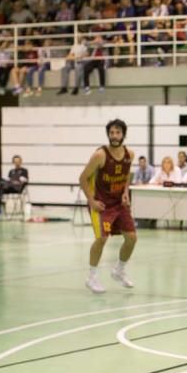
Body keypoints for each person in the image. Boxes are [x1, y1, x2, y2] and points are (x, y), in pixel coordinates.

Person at [78, 119, 136, 294]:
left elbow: (126, 175)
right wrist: (91, 201)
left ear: (123, 134)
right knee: (102, 239)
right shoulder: (100, 155)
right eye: (111, 132)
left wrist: (125, 192)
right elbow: (82, 178)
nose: (114, 136)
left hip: (119, 203)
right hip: (101, 204)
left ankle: (119, 270)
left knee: (132, 238)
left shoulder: (129, 154)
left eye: (118, 132)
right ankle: (92, 277)